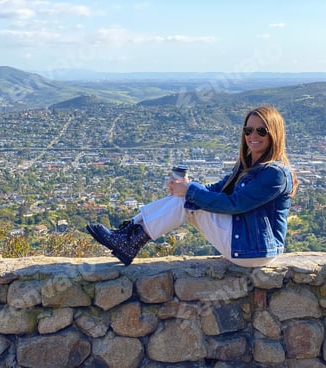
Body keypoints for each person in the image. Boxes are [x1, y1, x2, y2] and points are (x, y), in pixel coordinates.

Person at [86, 105, 298, 267]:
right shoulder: (247, 164)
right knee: (186, 195)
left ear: (274, 134)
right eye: (248, 130)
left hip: (256, 250)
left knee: (187, 199)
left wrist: (189, 191)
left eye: (261, 131)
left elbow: (235, 204)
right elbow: (218, 189)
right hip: (245, 243)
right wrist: (186, 186)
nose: (253, 136)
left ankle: (129, 240)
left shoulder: (275, 174)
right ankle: (128, 234)